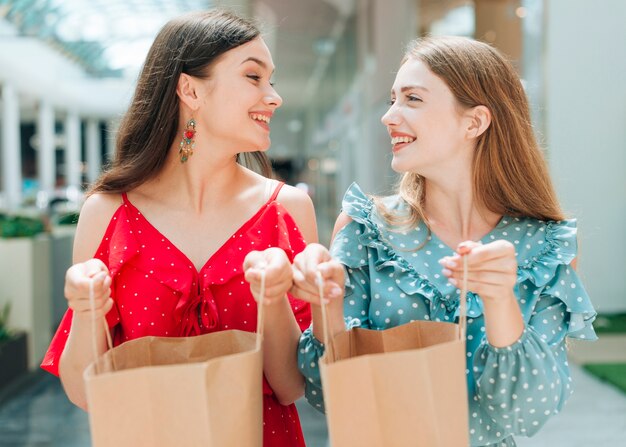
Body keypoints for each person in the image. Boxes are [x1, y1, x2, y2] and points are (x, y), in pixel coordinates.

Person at [291, 36, 596, 447]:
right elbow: (328, 392)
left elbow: (525, 412)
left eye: (412, 99)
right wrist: (324, 307)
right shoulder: (364, 227)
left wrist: (499, 299)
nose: (388, 116)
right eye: (392, 99)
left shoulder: (546, 247)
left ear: (474, 122)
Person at [41, 10, 316, 447]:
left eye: (272, 80)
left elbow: (290, 386)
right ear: (190, 89)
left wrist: (274, 297)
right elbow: (84, 391)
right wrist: (88, 312)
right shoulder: (108, 212)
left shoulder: (287, 209)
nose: (274, 96)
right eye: (253, 76)